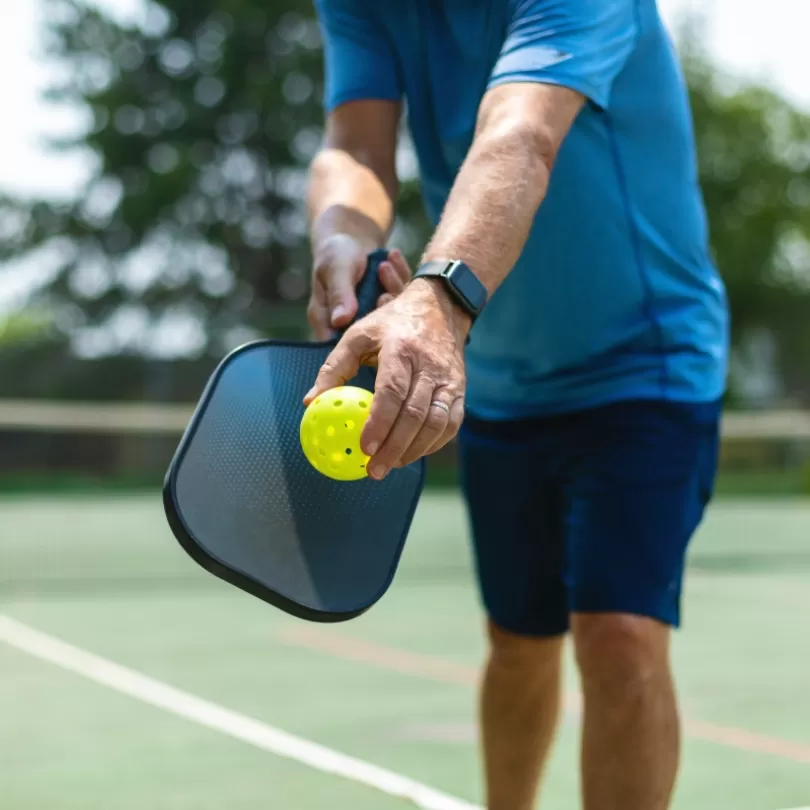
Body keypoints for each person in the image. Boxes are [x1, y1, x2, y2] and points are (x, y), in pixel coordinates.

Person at [304, 1, 729, 808]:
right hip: (498, 374)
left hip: (646, 361)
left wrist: (438, 301)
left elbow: (519, 133)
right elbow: (354, 145)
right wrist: (337, 236)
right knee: (519, 638)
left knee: (620, 635)